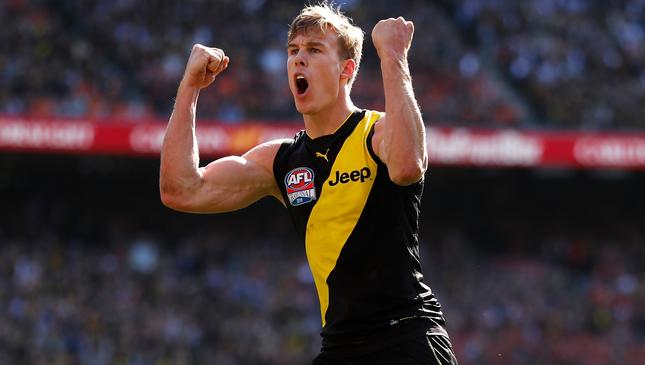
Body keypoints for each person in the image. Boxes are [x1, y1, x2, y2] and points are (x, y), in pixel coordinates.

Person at [160, 3, 458, 365]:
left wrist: (393, 57)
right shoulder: (281, 161)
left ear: (345, 69)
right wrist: (190, 86)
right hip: (340, 349)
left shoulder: (377, 132)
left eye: (314, 50)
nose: (299, 59)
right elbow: (181, 189)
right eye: (293, 51)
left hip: (407, 337)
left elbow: (408, 167)